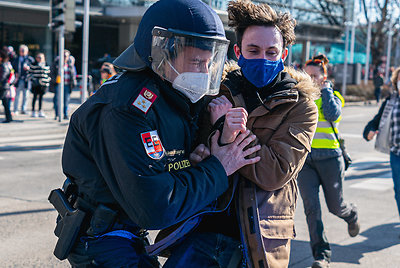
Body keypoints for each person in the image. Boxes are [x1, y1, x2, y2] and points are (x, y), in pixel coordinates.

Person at [55, 0, 262, 266]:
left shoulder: (172, 96)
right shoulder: (127, 108)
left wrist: (193, 162)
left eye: (209, 63)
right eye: (196, 61)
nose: (204, 72)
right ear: (163, 52)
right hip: (102, 240)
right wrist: (219, 167)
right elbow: (155, 207)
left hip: (128, 235)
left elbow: (164, 171)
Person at [156, 1, 319, 267]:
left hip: (258, 241)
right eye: (253, 50)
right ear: (238, 51)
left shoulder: (301, 106)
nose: (262, 59)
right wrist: (200, 154)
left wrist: (230, 135)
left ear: (284, 54)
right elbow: (189, 151)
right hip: (199, 228)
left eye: (271, 52)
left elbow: (274, 172)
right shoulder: (215, 91)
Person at [297, 54, 360, 268]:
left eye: (314, 76)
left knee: (336, 207)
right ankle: (321, 255)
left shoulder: (333, 96)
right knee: (311, 208)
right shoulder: (300, 97)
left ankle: (351, 215)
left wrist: (325, 90)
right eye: (307, 75)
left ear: (324, 76)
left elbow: (333, 115)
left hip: (330, 159)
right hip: (305, 161)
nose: (310, 79)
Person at [364, 66, 400, 238]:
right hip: (396, 154)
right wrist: (369, 131)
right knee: (399, 191)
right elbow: (376, 121)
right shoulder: (391, 101)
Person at [52, 49, 77, 120]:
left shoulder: (70, 64)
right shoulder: (57, 63)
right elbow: (52, 73)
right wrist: (55, 80)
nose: (65, 57)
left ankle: (65, 114)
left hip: (67, 85)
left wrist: (73, 83)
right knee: (57, 100)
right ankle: (57, 114)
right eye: (63, 56)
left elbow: (73, 74)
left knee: (66, 100)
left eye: (66, 56)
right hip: (59, 85)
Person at [12, 44, 34, 114]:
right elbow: (13, 68)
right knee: (17, 95)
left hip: (27, 80)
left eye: (23, 51)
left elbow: (34, 69)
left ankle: (24, 109)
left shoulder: (30, 59)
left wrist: (29, 69)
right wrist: (15, 73)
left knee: (26, 96)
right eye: (21, 51)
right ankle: (15, 109)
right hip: (19, 79)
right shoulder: (16, 59)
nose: (22, 52)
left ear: (27, 51)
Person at [0, 49, 14, 123]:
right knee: (5, 103)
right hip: (3, 87)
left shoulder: (4, 66)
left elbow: (1, 78)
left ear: (1, 58)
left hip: (2, 87)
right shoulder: (0, 65)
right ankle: (9, 118)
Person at [28, 52, 50, 117]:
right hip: (36, 84)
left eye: (41, 57)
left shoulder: (46, 64)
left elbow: (48, 74)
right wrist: (33, 80)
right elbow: (29, 73)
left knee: (41, 98)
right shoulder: (33, 64)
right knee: (34, 97)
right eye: (38, 57)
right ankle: (33, 111)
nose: (40, 59)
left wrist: (47, 81)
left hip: (43, 84)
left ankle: (40, 111)